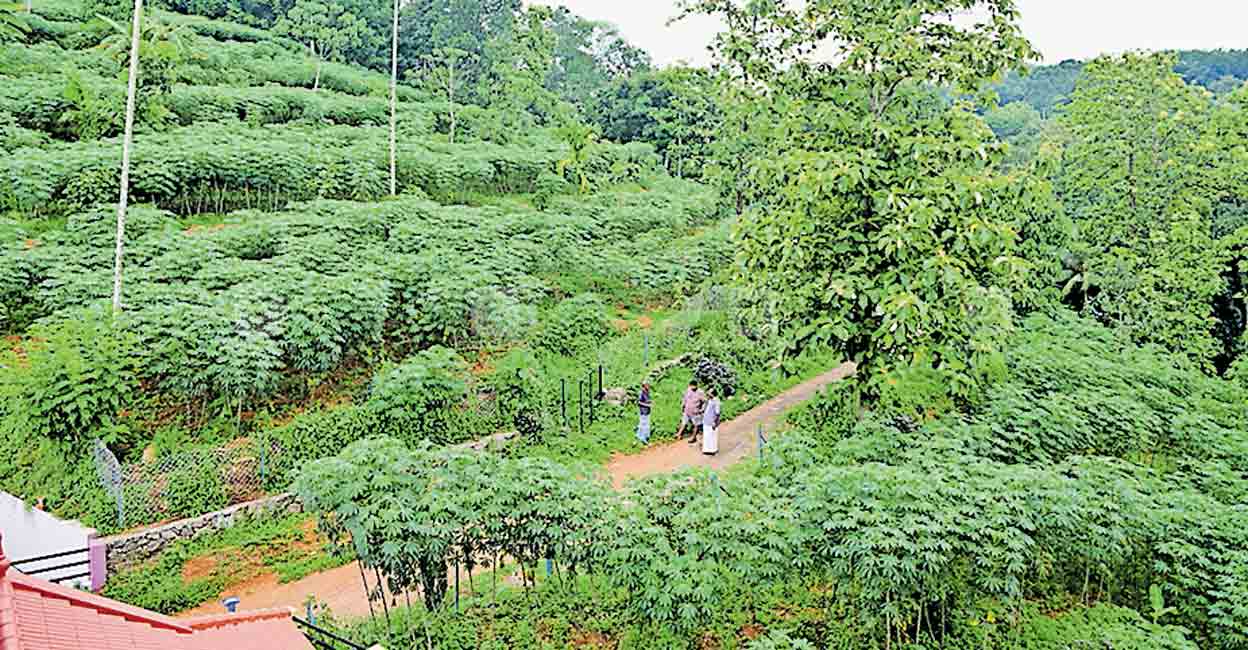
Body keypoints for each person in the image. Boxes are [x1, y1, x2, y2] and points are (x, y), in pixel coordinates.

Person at [701, 386, 721, 455]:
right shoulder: (710, 400)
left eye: (709, 393)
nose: (708, 393)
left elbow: (717, 413)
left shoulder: (716, 401)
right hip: (706, 421)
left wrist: (715, 423)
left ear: (713, 394)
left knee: (712, 436)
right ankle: (707, 450)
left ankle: (713, 450)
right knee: (706, 436)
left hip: (712, 422)